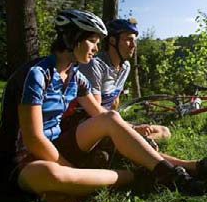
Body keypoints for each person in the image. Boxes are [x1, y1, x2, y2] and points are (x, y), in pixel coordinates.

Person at [0, 9, 207, 202]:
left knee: (111, 118)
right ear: (72, 38)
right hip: (21, 157)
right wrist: (69, 167)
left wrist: (131, 132)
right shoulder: (37, 74)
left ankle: (176, 174)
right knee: (51, 175)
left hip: (58, 143)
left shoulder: (75, 76)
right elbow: (34, 140)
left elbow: (102, 116)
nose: (96, 48)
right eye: (92, 41)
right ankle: (140, 177)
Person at [63, 18, 169, 146]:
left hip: (109, 120)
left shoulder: (125, 67)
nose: (133, 45)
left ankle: (133, 144)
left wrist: (127, 126)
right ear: (113, 41)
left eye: (134, 41)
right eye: (128, 40)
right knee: (137, 135)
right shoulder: (94, 65)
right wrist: (130, 128)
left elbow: (114, 102)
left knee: (164, 131)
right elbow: (95, 113)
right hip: (85, 123)